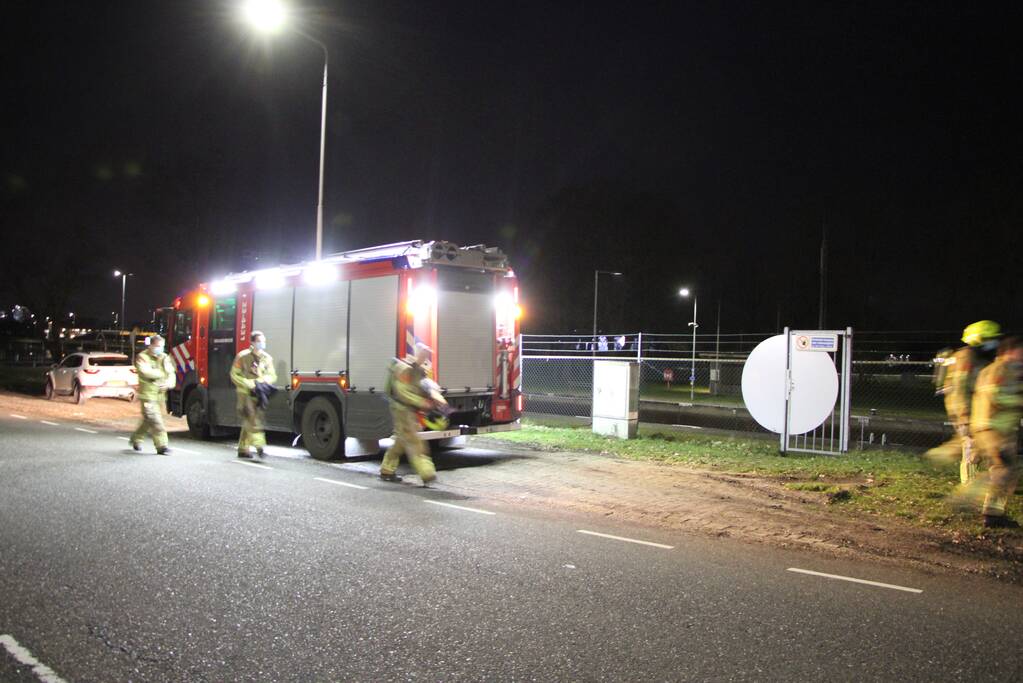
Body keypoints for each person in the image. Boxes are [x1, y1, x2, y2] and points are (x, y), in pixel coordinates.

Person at [925, 320, 1001, 483]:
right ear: (978, 340)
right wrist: (964, 419)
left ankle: (986, 483)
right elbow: (959, 392)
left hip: (980, 413)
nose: (994, 343)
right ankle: (969, 485)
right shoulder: (965, 358)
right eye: (990, 339)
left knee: (985, 449)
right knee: (972, 450)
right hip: (967, 414)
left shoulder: (979, 358)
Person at [963, 337, 1022, 528]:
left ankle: (993, 513)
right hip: (997, 428)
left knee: (1003, 470)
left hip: (986, 426)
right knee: (1004, 470)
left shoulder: (989, 370)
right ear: (1009, 351)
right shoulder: (1004, 370)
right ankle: (975, 498)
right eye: (1020, 352)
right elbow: (998, 396)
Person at [380, 342, 442, 485]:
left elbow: (422, 387)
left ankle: (387, 469)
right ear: (417, 353)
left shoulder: (419, 370)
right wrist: (423, 403)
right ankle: (427, 473)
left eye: (427, 354)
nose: (425, 356)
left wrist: (433, 394)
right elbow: (403, 393)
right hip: (402, 409)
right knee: (414, 441)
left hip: (409, 410)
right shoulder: (404, 369)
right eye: (423, 353)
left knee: (402, 440)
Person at [230, 330, 277, 459]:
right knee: (253, 419)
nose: (262, 343)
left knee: (249, 419)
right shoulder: (242, 357)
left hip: (259, 393)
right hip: (245, 393)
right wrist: (248, 383)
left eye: (263, 341)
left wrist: (263, 381)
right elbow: (234, 374)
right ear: (252, 342)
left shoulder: (267, 358)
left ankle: (243, 449)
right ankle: (259, 446)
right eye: (259, 341)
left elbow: (272, 375)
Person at [130, 335, 176, 455]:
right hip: (147, 396)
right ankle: (162, 446)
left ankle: (136, 439)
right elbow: (145, 372)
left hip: (160, 396)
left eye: (162, 346)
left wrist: (168, 383)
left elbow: (171, 374)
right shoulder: (142, 357)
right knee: (156, 420)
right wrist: (161, 374)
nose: (160, 349)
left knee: (148, 420)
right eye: (157, 346)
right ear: (150, 345)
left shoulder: (164, 358)